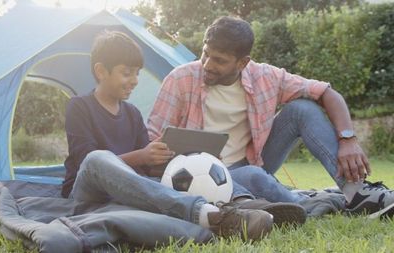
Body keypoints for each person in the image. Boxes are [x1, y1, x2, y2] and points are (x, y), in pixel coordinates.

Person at [147, 16, 394, 217]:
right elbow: (152, 141)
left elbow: (327, 93)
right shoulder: (180, 79)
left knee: (302, 109)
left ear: (242, 62)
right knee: (255, 177)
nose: (207, 64)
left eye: (219, 60)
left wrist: (348, 139)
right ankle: (310, 203)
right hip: (202, 172)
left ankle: (355, 193)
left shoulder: (266, 77)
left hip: (253, 161)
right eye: (205, 53)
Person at [62, 30, 283, 241]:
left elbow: (147, 170)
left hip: (125, 196)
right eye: (126, 73)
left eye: (137, 73)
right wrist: (141, 156)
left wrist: (176, 155)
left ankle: (238, 208)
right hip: (86, 194)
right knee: (97, 159)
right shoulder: (79, 107)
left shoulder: (132, 114)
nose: (135, 80)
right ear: (101, 71)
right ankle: (209, 215)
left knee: (199, 169)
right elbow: (86, 166)